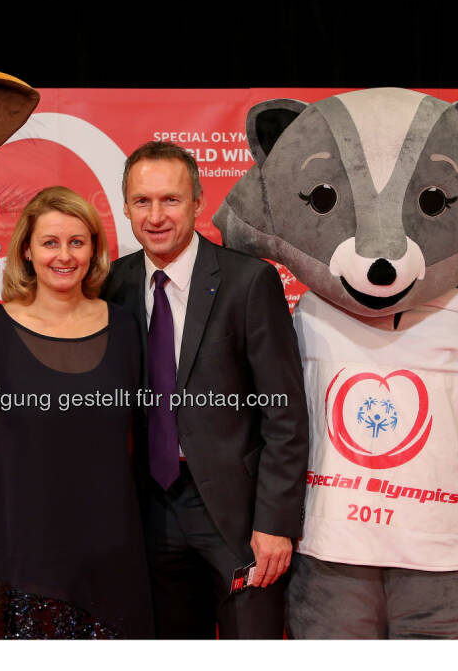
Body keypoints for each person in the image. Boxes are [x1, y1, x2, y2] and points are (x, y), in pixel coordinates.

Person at [100, 141, 309, 638]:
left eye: (170, 200)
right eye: (142, 201)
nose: (155, 216)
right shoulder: (111, 285)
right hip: (150, 509)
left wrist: (277, 523)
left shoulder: (248, 282)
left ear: (198, 202)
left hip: (239, 516)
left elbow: (285, 413)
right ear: (125, 206)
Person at [0, 186, 153, 639]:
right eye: (50, 242)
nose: (64, 256)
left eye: (77, 242)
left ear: (94, 250)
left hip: (113, 559)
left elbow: (142, 437)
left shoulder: (124, 328)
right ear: (27, 249)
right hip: (25, 563)